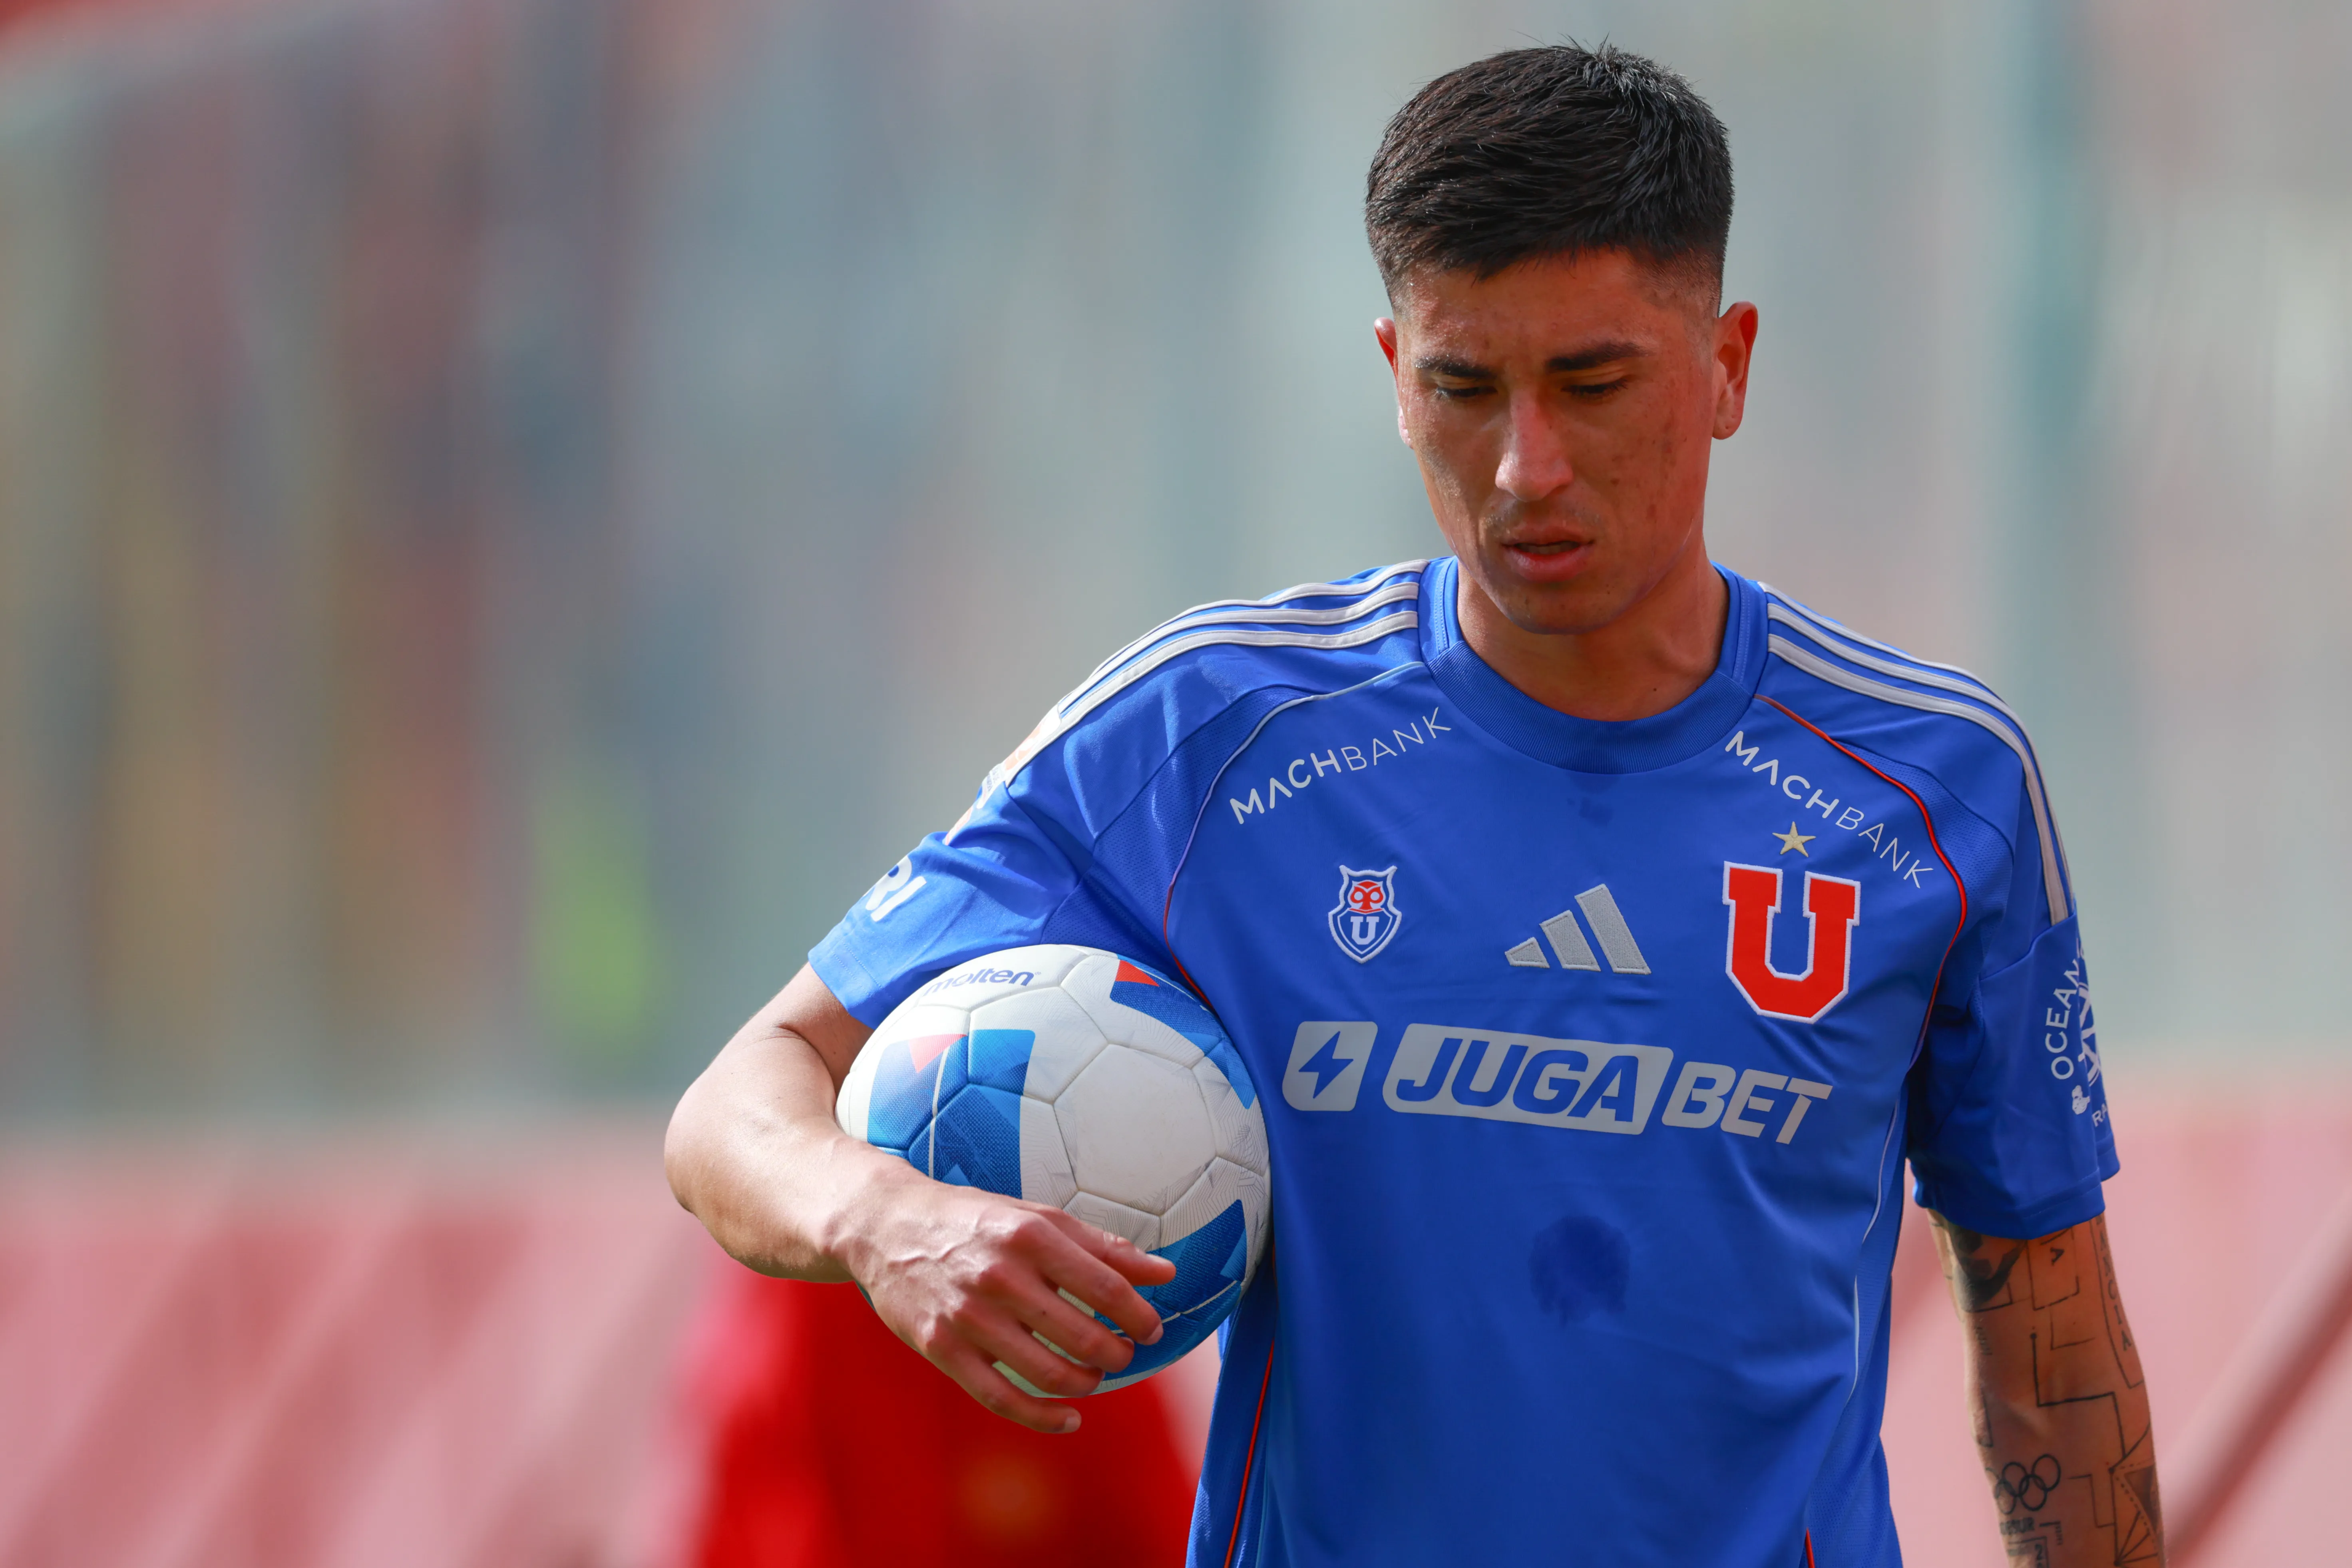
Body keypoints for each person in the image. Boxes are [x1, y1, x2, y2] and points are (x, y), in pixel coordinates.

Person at [667, 42, 2162, 1568]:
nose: (1524, 465)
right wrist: (883, 1217)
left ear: (1726, 364)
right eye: (1463, 387)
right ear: (1394, 376)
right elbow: (740, 1101)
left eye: (1591, 383)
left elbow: (2058, 1361)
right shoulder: (1210, 738)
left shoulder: (1940, 790)